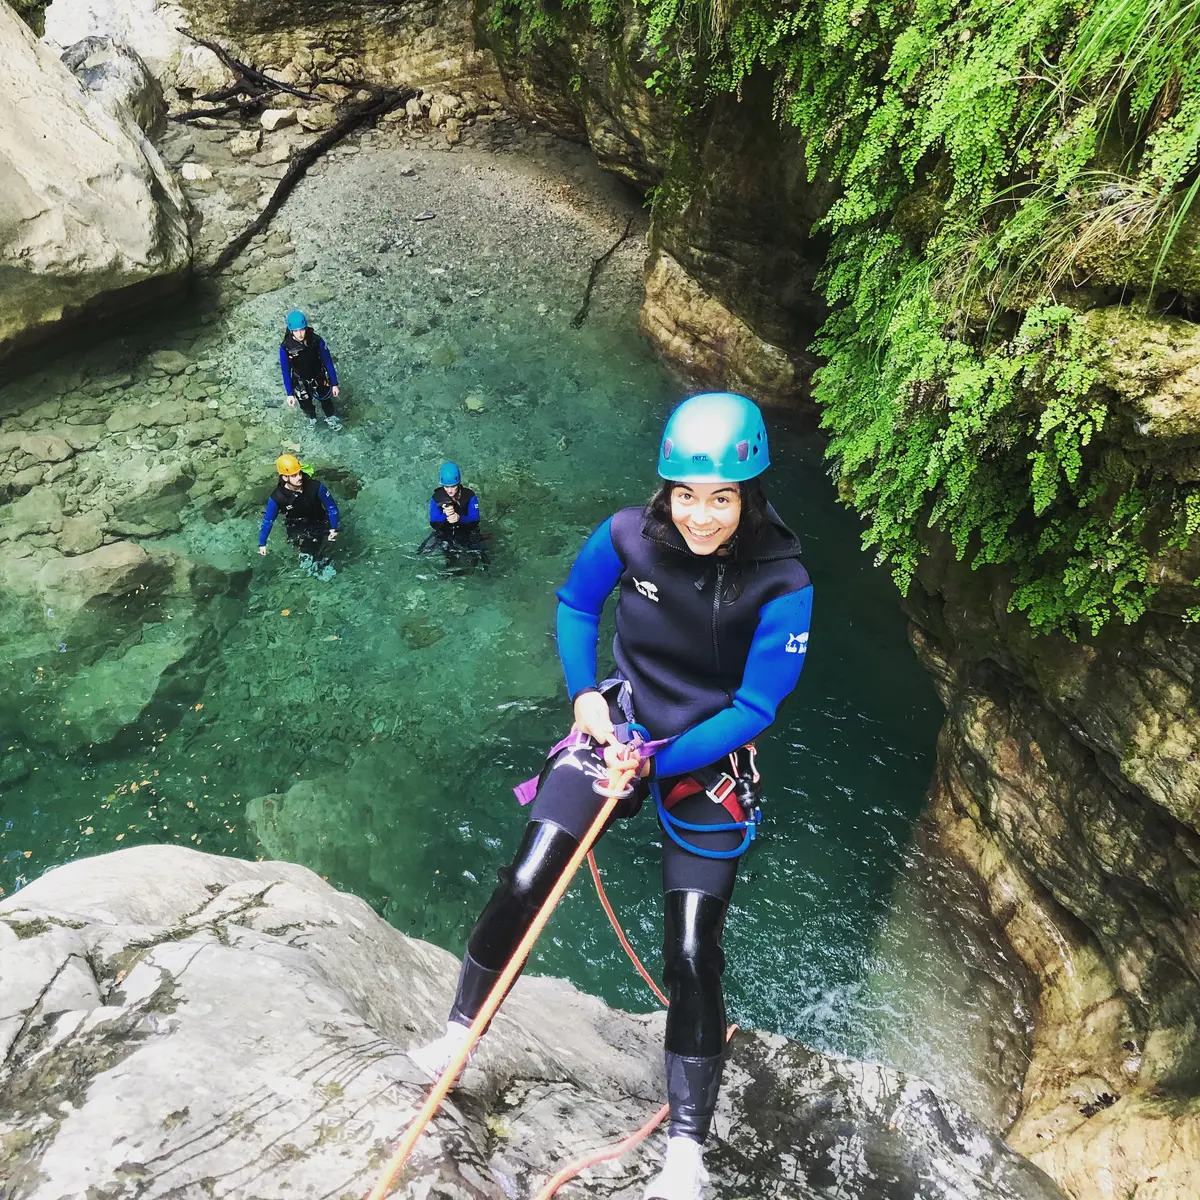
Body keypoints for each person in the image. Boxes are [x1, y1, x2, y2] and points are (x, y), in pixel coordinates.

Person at [408, 394, 813, 1200]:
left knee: (693, 954)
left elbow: (754, 708)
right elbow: (574, 603)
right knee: (526, 879)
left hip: (704, 758)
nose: (703, 517)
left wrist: (656, 764)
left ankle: (687, 1152)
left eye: (723, 498)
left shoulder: (784, 583)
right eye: (689, 495)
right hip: (617, 724)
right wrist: (585, 697)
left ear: (750, 495)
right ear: (666, 488)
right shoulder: (629, 534)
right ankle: (458, 1036)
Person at [258, 454, 340, 571]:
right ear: (285, 478)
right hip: (297, 527)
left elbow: (331, 507)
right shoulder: (278, 498)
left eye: (299, 473)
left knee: (329, 546)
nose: (299, 477)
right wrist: (262, 543)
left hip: (319, 519)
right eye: (294, 475)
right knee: (307, 555)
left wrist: (334, 527)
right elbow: (268, 521)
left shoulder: (316, 487)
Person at [279, 310, 342, 430]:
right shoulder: (286, 347)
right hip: (300, 380)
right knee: (305, 404)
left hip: (319, 375)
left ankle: (330, 417)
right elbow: (285, 371)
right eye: (296, 331)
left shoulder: (316, 340)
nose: (300, 334)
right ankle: (312, 417)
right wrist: (289, 394)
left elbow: (328, 362)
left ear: (306, 328)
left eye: (302, 329)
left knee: (326, 400)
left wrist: (334, 384)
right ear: (291, 331)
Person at [421, 462, 487, 562]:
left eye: (453, 486)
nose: (450, 491)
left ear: (459, 483)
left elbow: (475, 520)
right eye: (446, 487)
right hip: (445, 533)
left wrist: (459, 518)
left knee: (481, 557)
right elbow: (434, 523)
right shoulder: (436, 498)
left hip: (467, 531)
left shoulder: (469, 496)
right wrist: (445, 515)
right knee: (448, 558)